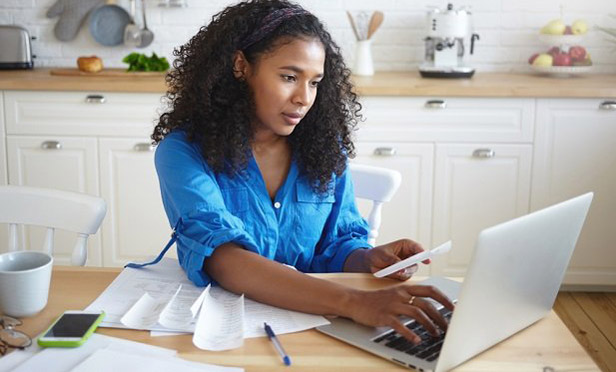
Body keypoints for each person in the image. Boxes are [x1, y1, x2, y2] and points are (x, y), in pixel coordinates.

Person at [151, 0, 454, 344]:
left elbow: (336, 245)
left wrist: (368, 259)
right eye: (289, 77)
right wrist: (355, 302)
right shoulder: (184, 152)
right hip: (226, 334)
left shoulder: (323, 150)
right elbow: (225, 261)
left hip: (320, 328)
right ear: (241, 66)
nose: (304, 98)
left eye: (314, 83)